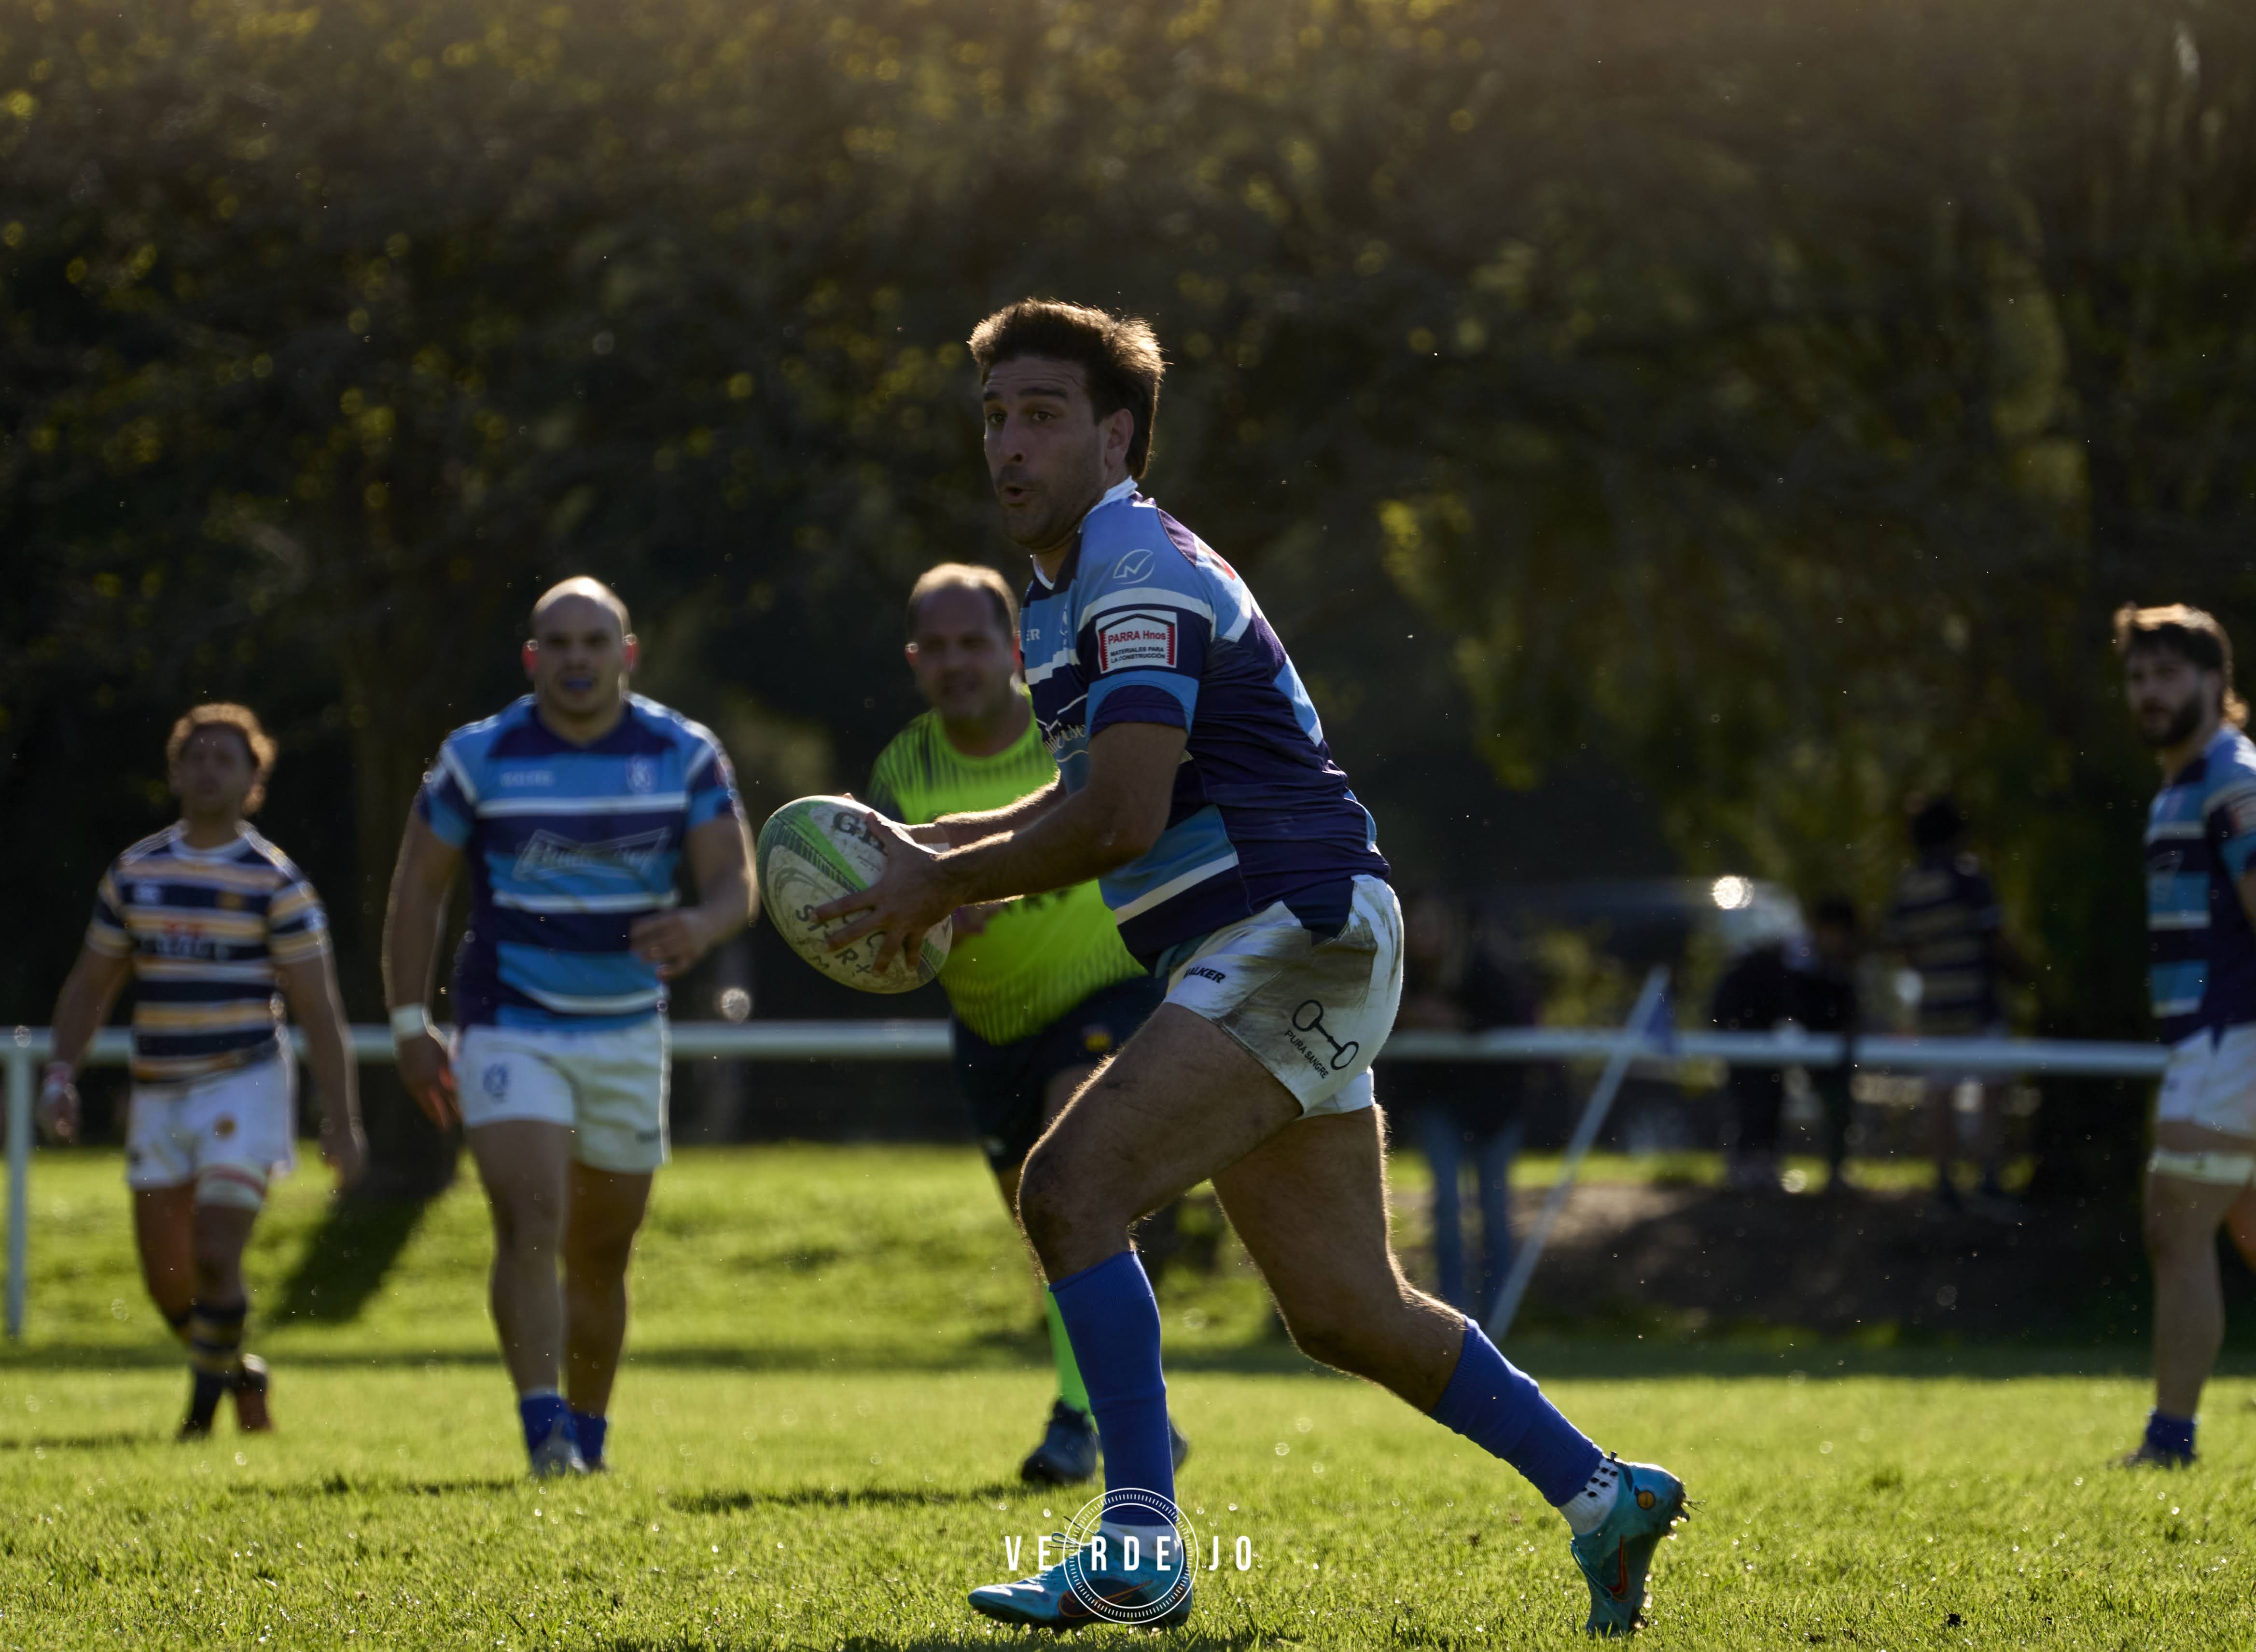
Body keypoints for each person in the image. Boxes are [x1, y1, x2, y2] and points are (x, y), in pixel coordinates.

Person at [817, 300, 1686, 1635]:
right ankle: (1601, 1492)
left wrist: (943, 875)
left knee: (1068, 1188)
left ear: (1116, 433)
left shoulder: (1135, 568)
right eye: (993, 415)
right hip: (1275, 940)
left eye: (1041, 413)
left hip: (1290, 926)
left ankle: (1139, 1544)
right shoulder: (1066, 592)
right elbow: (1085, 803)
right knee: (1344, 1308)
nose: (1007, 442)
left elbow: (1120, 817)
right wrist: (941, 846)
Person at [382, 578, 755, 1478]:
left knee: (600, 1250)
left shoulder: (684, 751)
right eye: (559, 643)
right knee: (530, 1215)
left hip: (629, 1029)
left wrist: (701, 926)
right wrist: (407, 1020)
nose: (577, 658)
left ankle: (588, 1434)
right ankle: (542, 1427)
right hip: (511, 1023)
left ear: (627, 653)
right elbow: (418, 888)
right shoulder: (479, 755)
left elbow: (734, 883)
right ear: (532, 658)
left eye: (596, 641)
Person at [864, 561, 1182, 1485]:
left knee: (1071, 1174)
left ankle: (1078, 1421)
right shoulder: (899, 768)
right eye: (937, 647)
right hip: (987, 1026)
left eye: (975, 643)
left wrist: (984, 873)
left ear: (1012, 649)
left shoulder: (1067, 729)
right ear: (914, 658)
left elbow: (1116, 821)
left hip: (1105, 995)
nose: (956, 662)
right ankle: (1136, 1407)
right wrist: (921, 922)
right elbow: (879, 916)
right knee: (1048, 1224)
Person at [38, 704, 364, 1438]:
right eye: (199, 756)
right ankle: (239, 1372)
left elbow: (319, 1008)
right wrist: (61, 1072)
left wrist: (342, 1118)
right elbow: (92, 985)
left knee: (218, 1254)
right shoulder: (136, 872)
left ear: (255, 778)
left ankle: (199, 1414)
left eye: (229, 758)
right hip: (159, 1090)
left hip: (243, 1081)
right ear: (177, 770)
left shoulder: (274, 882)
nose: (211, 768)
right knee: (168, 1284)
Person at [2113, 603, 2256, 1470]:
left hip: (2228, 1040)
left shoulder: (2226, 777)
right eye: (2136, 676)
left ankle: (2168, 1442)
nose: (2148, 692)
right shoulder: (2182, 781)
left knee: (2173, 1225)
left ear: (2213, 680)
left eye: (2167, 673)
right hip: (2211, 1042)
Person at [1387, 892, 1535, 1317]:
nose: (1422, 934)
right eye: (1416, 925)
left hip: (1496, 1107)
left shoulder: (1486, 968)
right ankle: (1452, 1312)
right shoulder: (1401, 975)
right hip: (1439, 1105)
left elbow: (1515, 1021)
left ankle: (1499, 1313)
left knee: (1493, 1209)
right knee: (1447, 1205)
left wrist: (1458, 1022)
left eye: (1430, 925)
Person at [1886, 797, 2013, 1210]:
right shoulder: (1967, 877)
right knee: (1992, 1090)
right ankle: (1989, 1177)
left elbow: (1902, 947)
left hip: (1935, 1005)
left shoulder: (1908, 886)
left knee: (1940, 1093)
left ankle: (1944, 1183)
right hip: (1977, 1003)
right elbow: (1995, 938)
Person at [1797, 896, 1862, 1195]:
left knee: (1839, 1111)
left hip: (1836, 1055)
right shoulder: (1804, 964)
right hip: (1807, 1047)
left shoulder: (1844, 968)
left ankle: (1836, 1169)